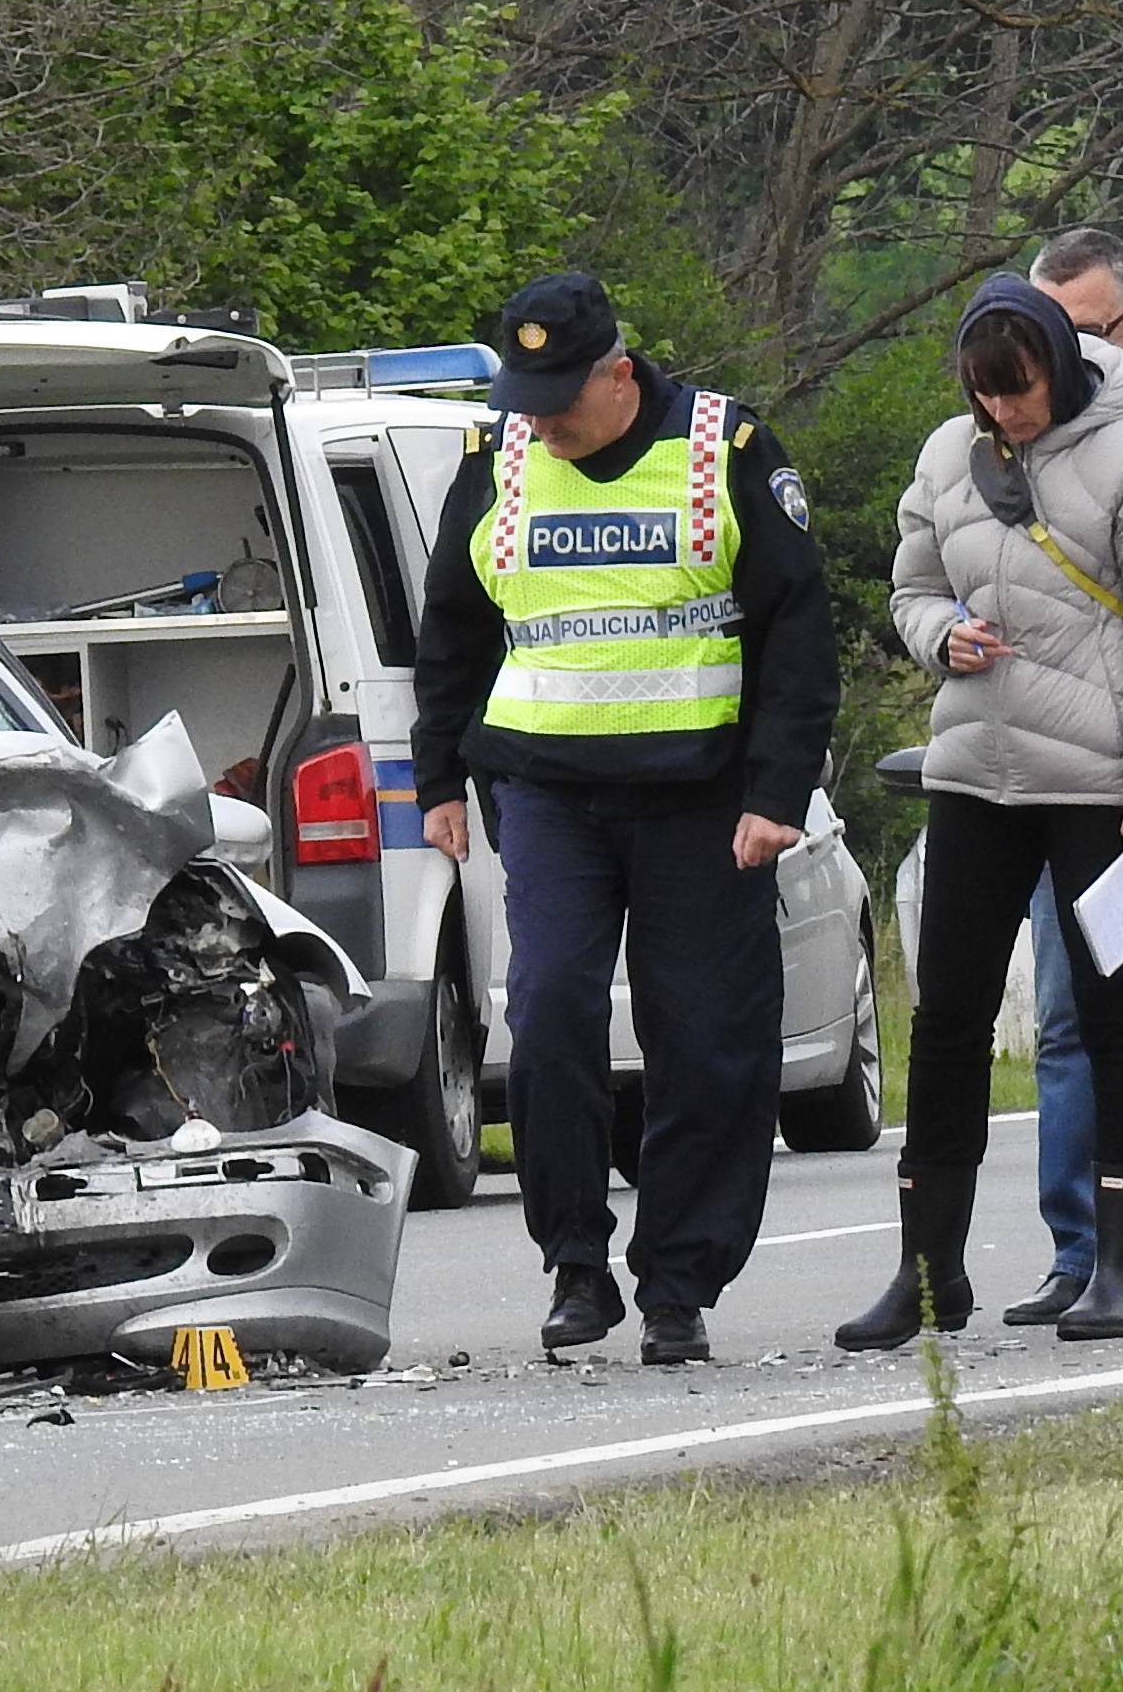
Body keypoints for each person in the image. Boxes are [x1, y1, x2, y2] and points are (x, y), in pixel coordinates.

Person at [412, 271, 839, 1367]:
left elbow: (797, 631)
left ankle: (679, 1283)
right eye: (526, 400)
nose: (541, 424)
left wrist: (776, 795)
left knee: (703, 1043)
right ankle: (576, 1262)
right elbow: (453, 628)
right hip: (546, 792)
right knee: (549, 1009)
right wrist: (437, 781)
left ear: (618, 369)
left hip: (704, 802)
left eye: (559, 399)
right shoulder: (497, 458)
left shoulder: (724, 450)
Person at [837, 272, 1123, 1350]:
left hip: (1101, 785)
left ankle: (1112, 1261)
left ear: (1057, 359)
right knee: (948, 1016)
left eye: (1022, 389)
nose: (1006, 411)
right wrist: (936, 637)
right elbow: (911, 585)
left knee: (1111, 1019)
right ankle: (928, 1271)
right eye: (985, 393)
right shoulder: (946, 456)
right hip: (975, 771)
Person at [1001, 228, 1123, 1323]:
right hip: (1071, 777)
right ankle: (1081, 1254)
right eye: (1053, 333)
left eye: (1092, 331)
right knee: (1070, 1017)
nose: (1069, 355)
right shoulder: (1001, 450)